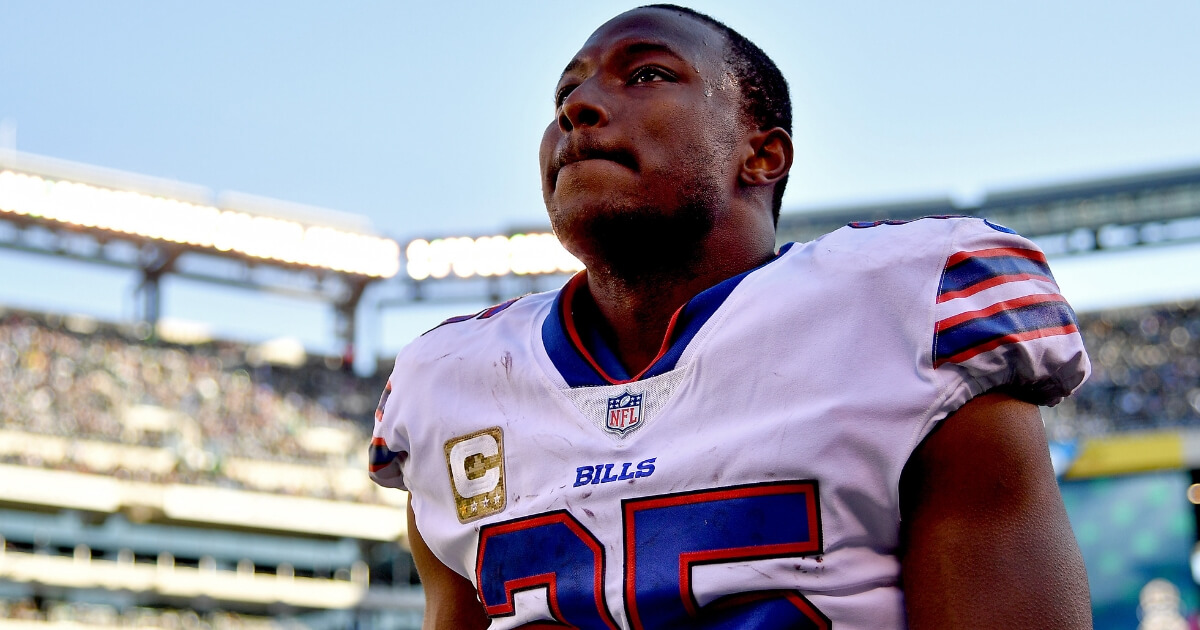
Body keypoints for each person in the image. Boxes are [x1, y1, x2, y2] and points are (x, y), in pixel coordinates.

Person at [369, 5, 1093, 629]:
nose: (578, 107)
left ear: (762, 153)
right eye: (567, 89)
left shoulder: (905, 307)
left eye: (646, 73)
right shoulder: (448, 383)